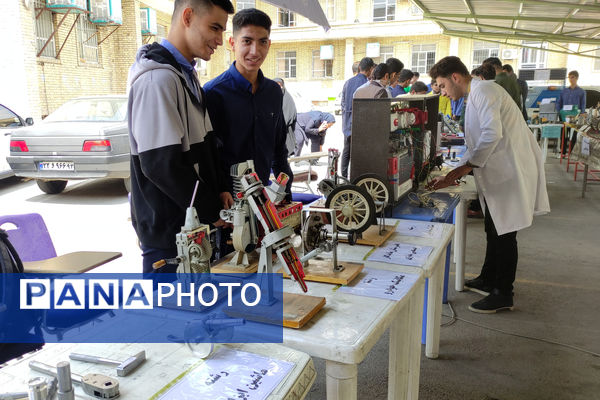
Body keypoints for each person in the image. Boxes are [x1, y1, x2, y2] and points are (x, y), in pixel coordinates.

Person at [428, 56, 550, 313]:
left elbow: (492, 134)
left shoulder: (483, 91)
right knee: (492, 226)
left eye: (443, 85)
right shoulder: (475, 94)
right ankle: (489, 278)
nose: (444, 93)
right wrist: (457, 170)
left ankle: (503, 292)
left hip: (510, 170)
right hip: (500, 171)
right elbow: (476, 142)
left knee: (504, 233)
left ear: (456, 78)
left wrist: (462, 168)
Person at [127, 0, 234, 274]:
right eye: (214, 27)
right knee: (170, 315)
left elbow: (206, 146)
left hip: (192, 226)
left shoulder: (185, 76)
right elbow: (161, 165)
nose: (220, 40)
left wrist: (220, 189)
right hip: (169, 236)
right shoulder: (157, 80)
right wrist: (211, 210)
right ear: (187, 16)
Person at [204, 8, 293, 196]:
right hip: (227, 201)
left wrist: (286, 192)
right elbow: (208, 157)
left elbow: (279, 150)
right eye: (247, 41)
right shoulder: (213, 93)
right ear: (232, 43)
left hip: (264, 197)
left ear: (269, 44)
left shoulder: (274, 92)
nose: (255, 51)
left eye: (262, 42)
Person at [340, 57, 375, 178]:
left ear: (360, 68)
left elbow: (343, 103)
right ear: (371, 69)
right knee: (359, 153)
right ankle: (356, 178)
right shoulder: (367, 84)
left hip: (347, 122)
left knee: (347, 151)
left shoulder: (348, 82)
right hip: (360, 124)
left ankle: (343, 177)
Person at [557, 70, 586, 154]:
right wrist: (560, 111)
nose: (570, 79)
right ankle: (562, 151)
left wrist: (582, 113)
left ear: (577, 78)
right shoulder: (564, 91)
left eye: (572, 77)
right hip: (564, 115)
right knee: (563, 133)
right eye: (569, 77)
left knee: (574, 134)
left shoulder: (581, 92)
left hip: (575, 116)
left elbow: (583, 104)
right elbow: (559, 102)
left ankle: (572, 152)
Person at [273, 77, 297, 156]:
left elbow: (289, 116)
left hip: (285, 133)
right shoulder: (270, 97)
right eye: (275, 85)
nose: (278, 87)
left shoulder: (287, 98)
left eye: (280, 85)